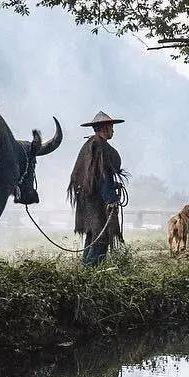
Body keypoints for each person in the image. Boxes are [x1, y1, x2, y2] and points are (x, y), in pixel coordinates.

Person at [67, 111, 128, 266]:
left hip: (88, 201)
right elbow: (102, 176)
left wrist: (112, 186)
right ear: (104, 128)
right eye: (111, 127)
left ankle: (86, 272)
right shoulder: (100, 147)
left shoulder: (89, 145)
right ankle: (92, 271)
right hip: (97, 203)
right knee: (101, 236)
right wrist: (110, 199)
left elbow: (92, 177)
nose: (113, 131)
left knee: (92, 234)